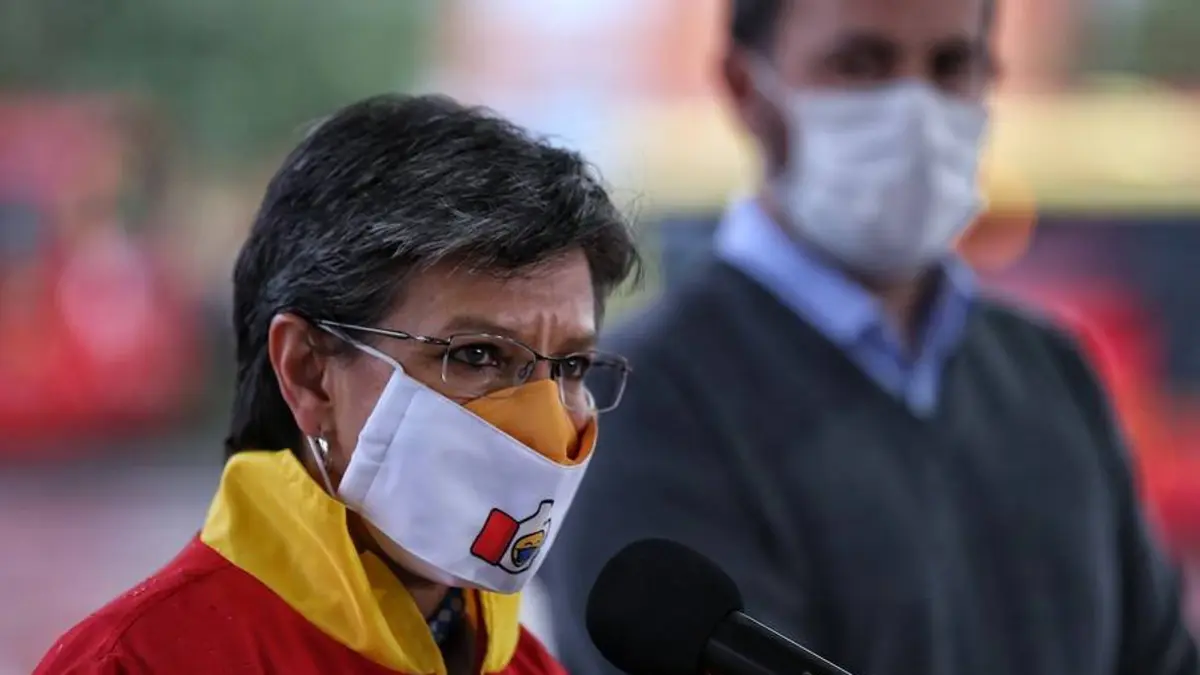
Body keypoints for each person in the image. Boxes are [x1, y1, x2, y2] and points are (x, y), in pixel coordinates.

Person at [540, 1, 1200, 674]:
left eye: (951, 65)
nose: (914, 109)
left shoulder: (1051, 371)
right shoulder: (644, 398)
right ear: (746, 88)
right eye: (859, 64)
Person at [35, 94, 639, 675]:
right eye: (477, 355)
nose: (546, 428)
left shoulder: (529, 666)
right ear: (309, 374)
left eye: (570, 366)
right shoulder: (136, 664)